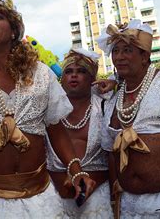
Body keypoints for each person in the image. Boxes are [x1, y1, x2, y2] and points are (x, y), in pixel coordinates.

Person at [0, 0, 95, 218]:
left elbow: (55, 129)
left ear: (14, 29)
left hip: (39, 200)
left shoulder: (41, 73)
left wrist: (76, 171)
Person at [97, 19, 160, 218]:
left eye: (127, 50)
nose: (119, 57)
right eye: (115, 51)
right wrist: (115, 198)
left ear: (144, 56)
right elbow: (111, 154)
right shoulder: (113, 99)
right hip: (130, 207)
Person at [47, 48, 113, 218]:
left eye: (81, 71)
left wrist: (116, 83)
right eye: (68, 71)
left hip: (98, 199)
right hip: (54, 200)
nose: (73, 76)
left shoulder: (105, 107)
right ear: (62, 79)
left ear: (92, 78)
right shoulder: (47, 109)